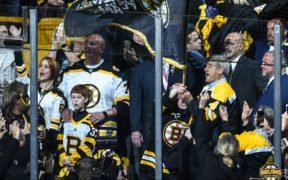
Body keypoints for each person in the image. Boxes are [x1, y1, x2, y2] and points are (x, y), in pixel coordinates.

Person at [59, 33, 129, 143]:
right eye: (87, 43)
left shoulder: (114, 74)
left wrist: (104, 114)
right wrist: (63, 110)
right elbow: (58, 98)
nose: (87, 46)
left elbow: (124, 104)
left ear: (101, 50)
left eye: (92, 44)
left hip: (103, 137)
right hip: (74, 138)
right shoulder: (69, 72)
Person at [15, 54, 66, 149]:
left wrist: (46, 135)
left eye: (46, 67)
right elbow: (20, 68)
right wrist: (16, 46)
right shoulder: (30, 85)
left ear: (53, 72)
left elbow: (55, 125)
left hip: (44, 143)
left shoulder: (58, 95)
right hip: (25, 137)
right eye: (41, 66)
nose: (42, 69)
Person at [195, 92, 243, 180]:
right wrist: (225, 121)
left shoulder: (208, 159)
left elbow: (199, 135)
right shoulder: (237, 172)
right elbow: (228, 142)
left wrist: (201, 107)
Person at [198, 54, 241, 141]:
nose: (205, 69)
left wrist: (190, 101)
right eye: (206, 66)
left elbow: (207, 118)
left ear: (220, 70)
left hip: (216, 144)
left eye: (210, 66)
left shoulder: (224, 91)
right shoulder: (208, 87)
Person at [57, 84, 97, 176]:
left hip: (80, 161)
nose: (75, 100)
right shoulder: (66, 120)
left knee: (85, 165)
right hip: (65, 160)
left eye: (79, 97)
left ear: (86, 99)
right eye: (73, 97)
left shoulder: (91, 120)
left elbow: (89, 146)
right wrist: (63, 158)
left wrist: (72, 159)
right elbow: (59, 141)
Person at [223, 32, 268, 108]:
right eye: (225, 44)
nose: (227, 47)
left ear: (241, 46)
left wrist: (260, 117)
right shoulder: (221, 66)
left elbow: (266, 93)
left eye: (230, 44)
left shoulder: (252, 67)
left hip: (244, 117)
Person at [250, 51, 288, 121]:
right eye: (262, 62)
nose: (261, 66)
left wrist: (248, 121)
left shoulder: (277, 87)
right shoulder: (281, 82)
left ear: (278, 65)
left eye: (266, 63)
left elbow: (264, 119)